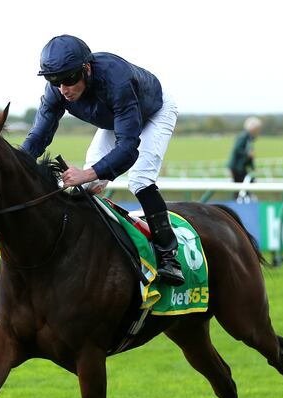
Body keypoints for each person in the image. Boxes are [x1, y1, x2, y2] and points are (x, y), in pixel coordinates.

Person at [21, 35, 184, 286]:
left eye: (69, 79)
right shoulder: (57, 92)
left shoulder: (117, 80)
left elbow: (129, 147)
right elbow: (38, 136)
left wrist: (89, 173)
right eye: (54, 81)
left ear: (86, 69)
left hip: (154, 112)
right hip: (114, 119)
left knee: (139, 180)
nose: (63, 89)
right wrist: (16, 164)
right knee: (88, 187)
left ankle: (169, 257)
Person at [227, 116, 262, 202]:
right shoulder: (244, 136)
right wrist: (248, 154)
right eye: (258, 129)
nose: (259, 131)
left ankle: (240, 201)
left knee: (243, 187)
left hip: (240, 168)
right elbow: (237, 149)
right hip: (237, 168)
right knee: (239, 188)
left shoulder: (249, 137)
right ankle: (238, 204)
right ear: (253, 128)